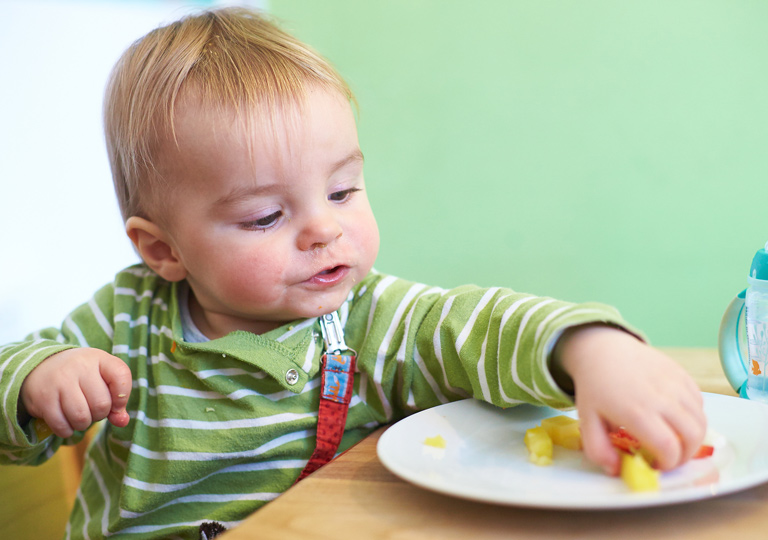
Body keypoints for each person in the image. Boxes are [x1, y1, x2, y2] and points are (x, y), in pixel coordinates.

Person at [0, 7, 705, 539]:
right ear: (164, 252)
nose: (325, 228)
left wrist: (589, 350)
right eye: (265, 217)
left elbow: (477, 326)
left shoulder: (371, 320)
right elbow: (16, 416)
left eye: (341, 191)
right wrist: (39, 381)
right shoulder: (124, 319)